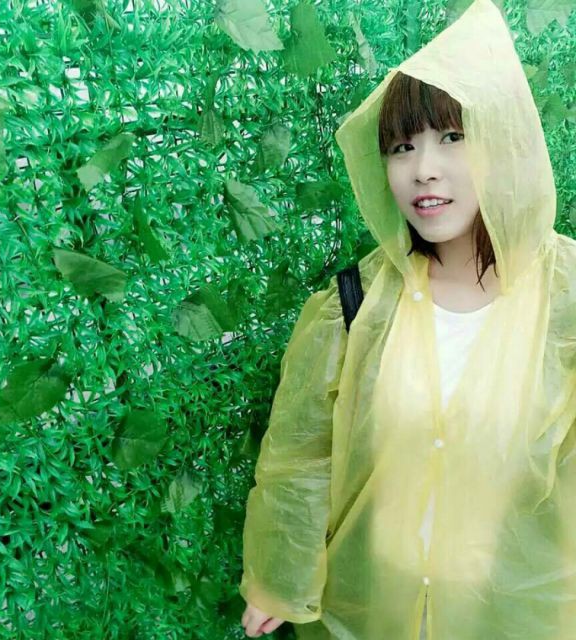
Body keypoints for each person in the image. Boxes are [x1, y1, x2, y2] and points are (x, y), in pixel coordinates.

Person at [240, 0, 576, 638]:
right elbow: (303, 454)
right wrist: (280, 575)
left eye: (452, 137)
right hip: (378, 607)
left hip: (516, 614)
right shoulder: (357, 304)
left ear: (504, 140)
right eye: (401, 147)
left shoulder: (567, 298)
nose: (423, 169)